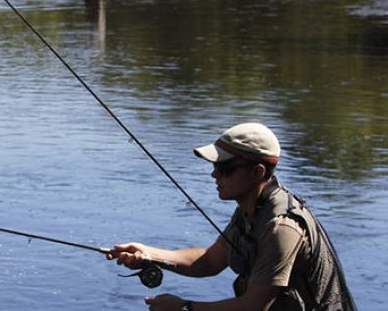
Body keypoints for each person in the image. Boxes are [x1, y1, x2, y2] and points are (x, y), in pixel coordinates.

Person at [108, 123, 357, 311]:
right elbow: (210, 261)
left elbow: (253, 306)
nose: (214, 174)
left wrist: (185, 307)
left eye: (225, 168)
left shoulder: (282, 228)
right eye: (215, 166)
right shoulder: (251, 209)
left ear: (257, 172)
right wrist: (150, 255)